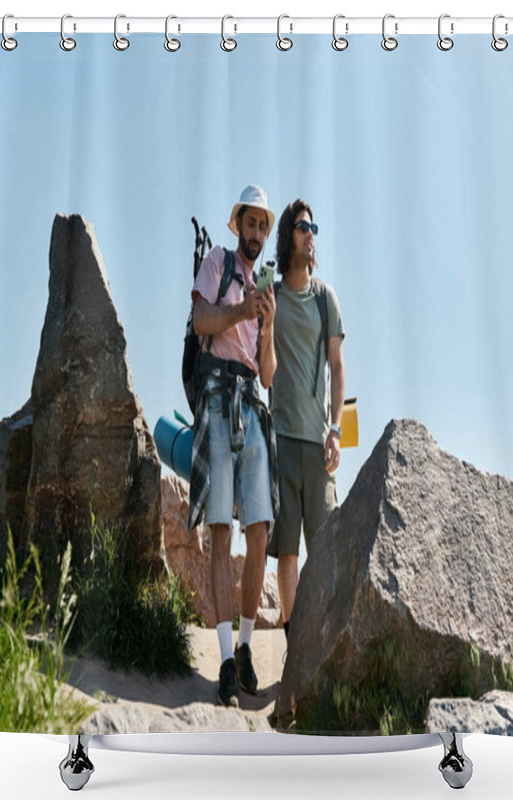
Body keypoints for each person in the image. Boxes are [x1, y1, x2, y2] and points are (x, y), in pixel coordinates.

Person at [188, 184, 278, 708]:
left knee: (261, 530)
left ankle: (244, 646)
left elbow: (267, 374)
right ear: (237, 224)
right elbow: (202, 322)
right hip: (219, 400)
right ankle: (224, 659)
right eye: (252, 223)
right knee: (222, 531)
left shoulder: (266, 291)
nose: (257, 233)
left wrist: (265, 324)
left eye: (264, 226)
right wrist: (244, 311)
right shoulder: (217, 263)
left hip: (251, 403)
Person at [267, 199, 345, 640]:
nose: (310, 234)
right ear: (288, 237)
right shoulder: (273, 296)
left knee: (325, 548)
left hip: (318, 443)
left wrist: (336, 430)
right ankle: (294, 646)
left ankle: (326, 642)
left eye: (314, 227)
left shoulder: (325, 299)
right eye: (302, 227)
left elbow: (338, 366)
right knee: (287, 554)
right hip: (280, 440)